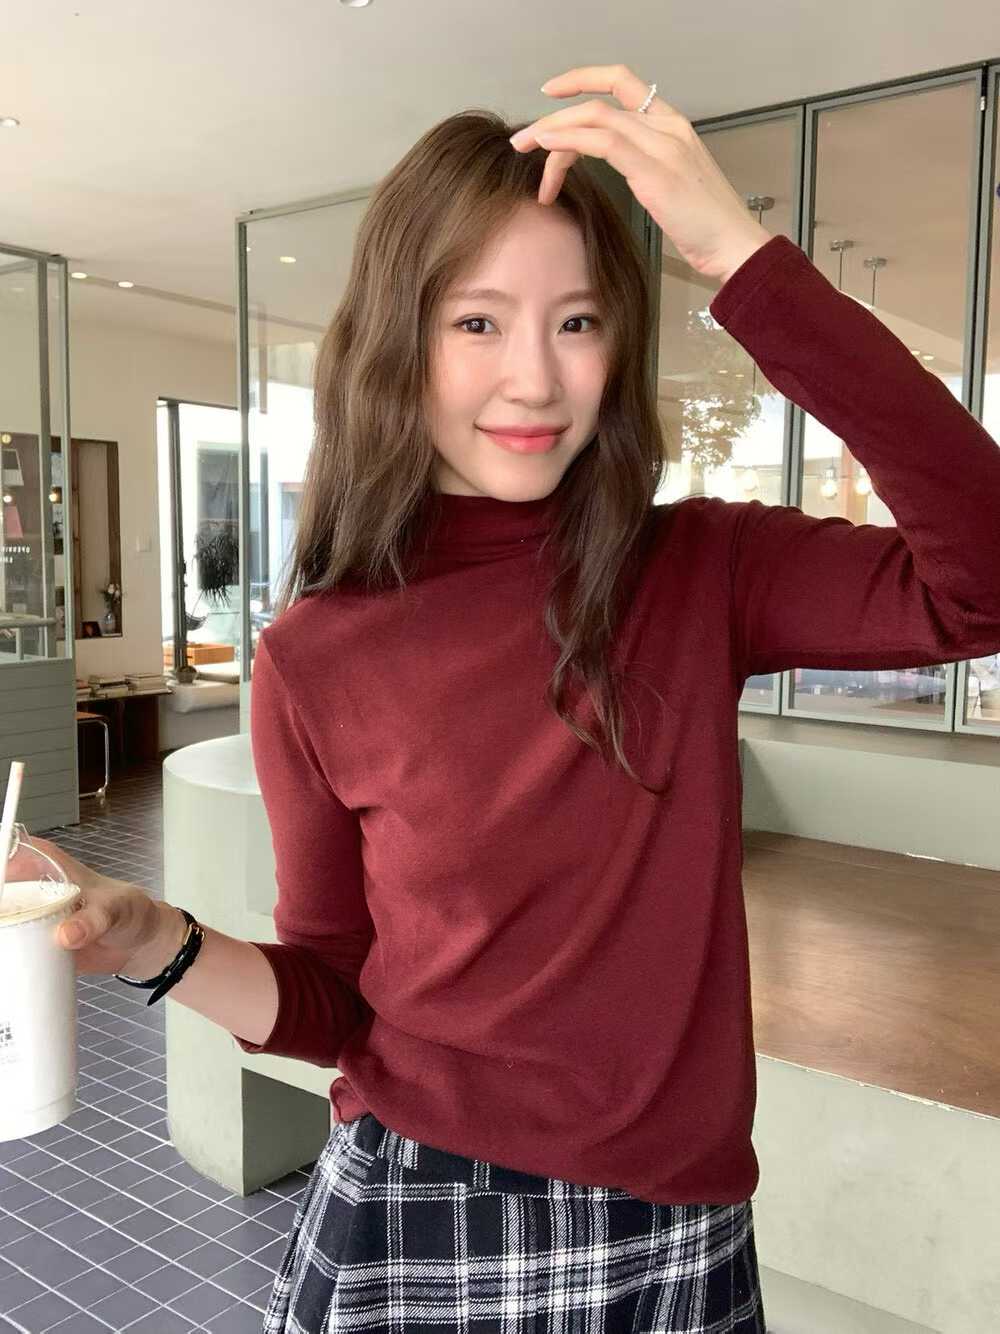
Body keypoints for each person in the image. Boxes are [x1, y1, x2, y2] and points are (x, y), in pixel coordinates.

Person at [37, 60, 1000, 1334]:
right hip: (417, 1206)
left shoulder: (699, 570)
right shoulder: (317, 655)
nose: (536, 379)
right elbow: (335, 999)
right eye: (478, 323)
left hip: (674, 1223)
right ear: (399, 341)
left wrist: (736, 253)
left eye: (579, 321)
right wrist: (153, 942)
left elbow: (981, 579)